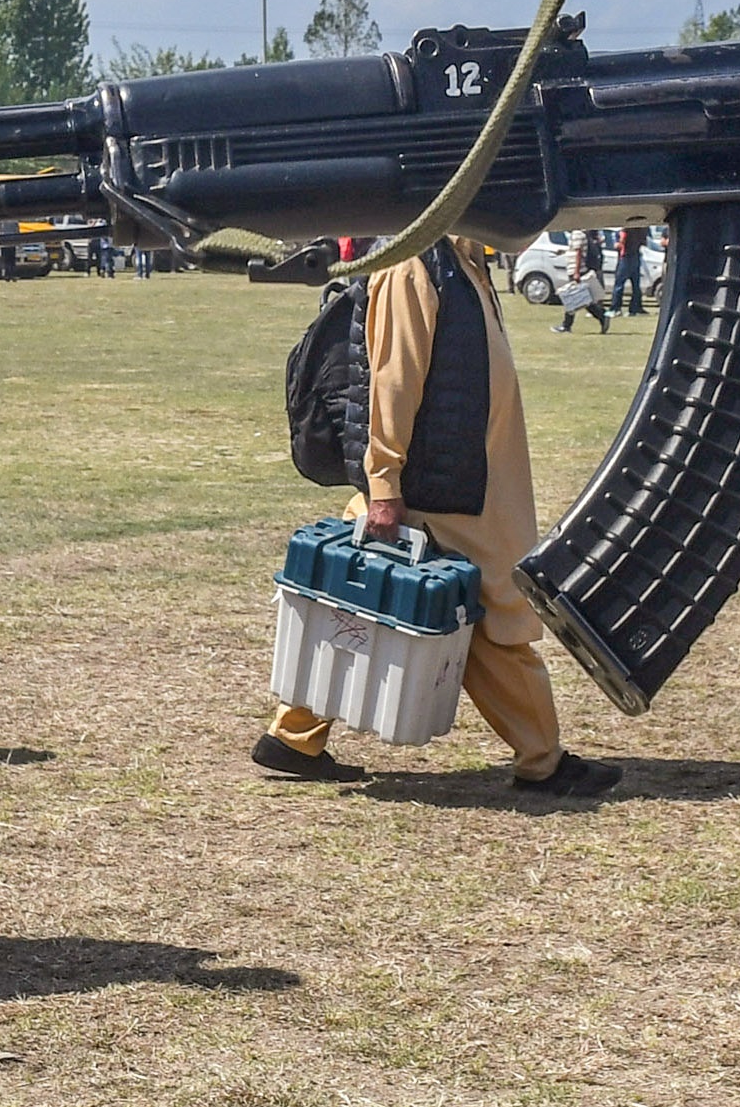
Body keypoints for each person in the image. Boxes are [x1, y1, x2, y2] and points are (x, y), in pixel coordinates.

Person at [254, 234, 619, 800]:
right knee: (492, 614)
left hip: (465, 481)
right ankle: (543, 762)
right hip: (442, 484)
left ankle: (294, 737)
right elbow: (390, 380)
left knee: (376, 602)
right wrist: (383, 484)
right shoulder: (413, 262)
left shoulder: (461, 260)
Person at [557, 227, 609, 334]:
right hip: (576, 269)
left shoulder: (577, 234)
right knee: (579, 298)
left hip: (577, 270)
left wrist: (576, 272)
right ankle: (601, 316)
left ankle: (567, 325)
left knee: (574, 297)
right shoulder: (581, 234)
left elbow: (579, 252)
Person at [607, 222, 648, 321]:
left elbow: (622, 238)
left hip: (626, 257)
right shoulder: (642, 228)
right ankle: (634, 308)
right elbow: (644, 242)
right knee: (635, 285)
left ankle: (615, 308)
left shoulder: (627, 228)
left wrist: (620, 246)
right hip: (636, 255)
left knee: (619, 284)